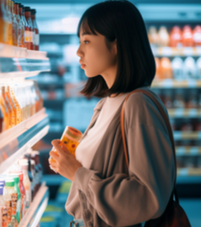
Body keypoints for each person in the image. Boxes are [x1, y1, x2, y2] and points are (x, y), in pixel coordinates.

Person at [48, 1, 175, 227]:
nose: (78, 51)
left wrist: (76, 173)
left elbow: (147, 197)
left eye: (87, 41)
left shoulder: (138, 105)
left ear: (116, 45)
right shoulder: (107, 103)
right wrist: (67, 161)